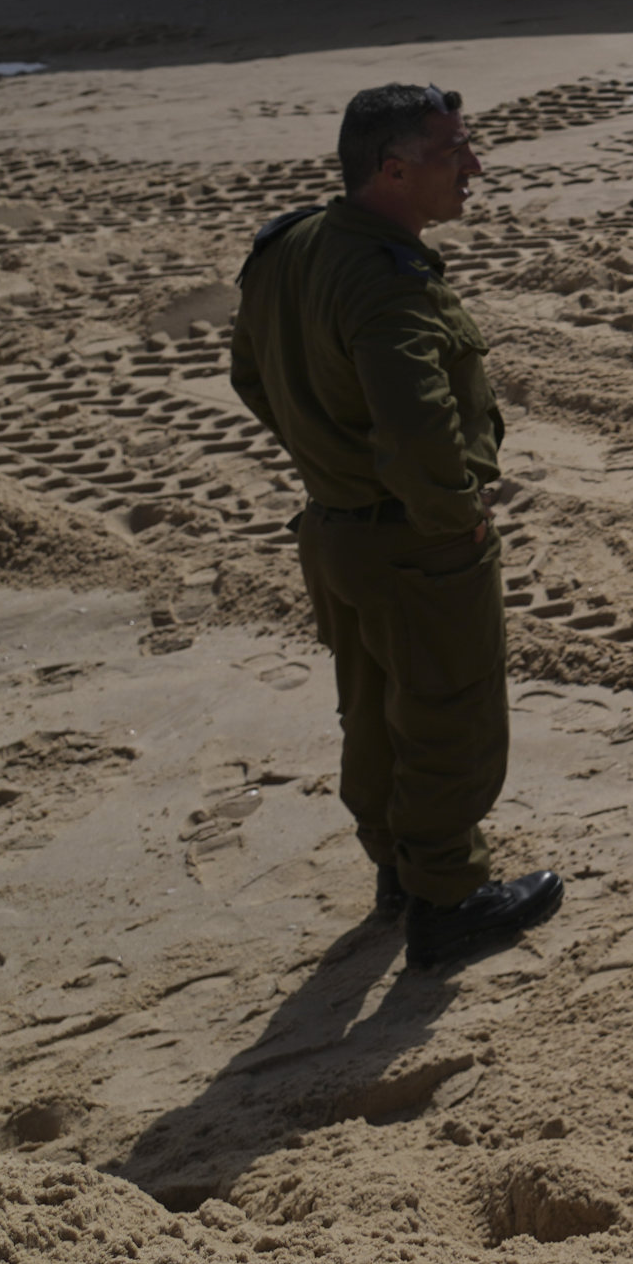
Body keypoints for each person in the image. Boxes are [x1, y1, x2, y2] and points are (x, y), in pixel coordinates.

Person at [229, 85, 565, 970]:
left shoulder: (292, 244)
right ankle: (448, 899)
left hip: (334, 531)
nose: (475, 168)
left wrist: (329, 457)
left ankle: (398, 870)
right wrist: (457, 521)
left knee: (374, 708)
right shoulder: (384, 284)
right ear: (393, 169)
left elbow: (252, 377)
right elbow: (421, 433)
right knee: (449, 714)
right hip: (412, 542)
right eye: (453, 152)